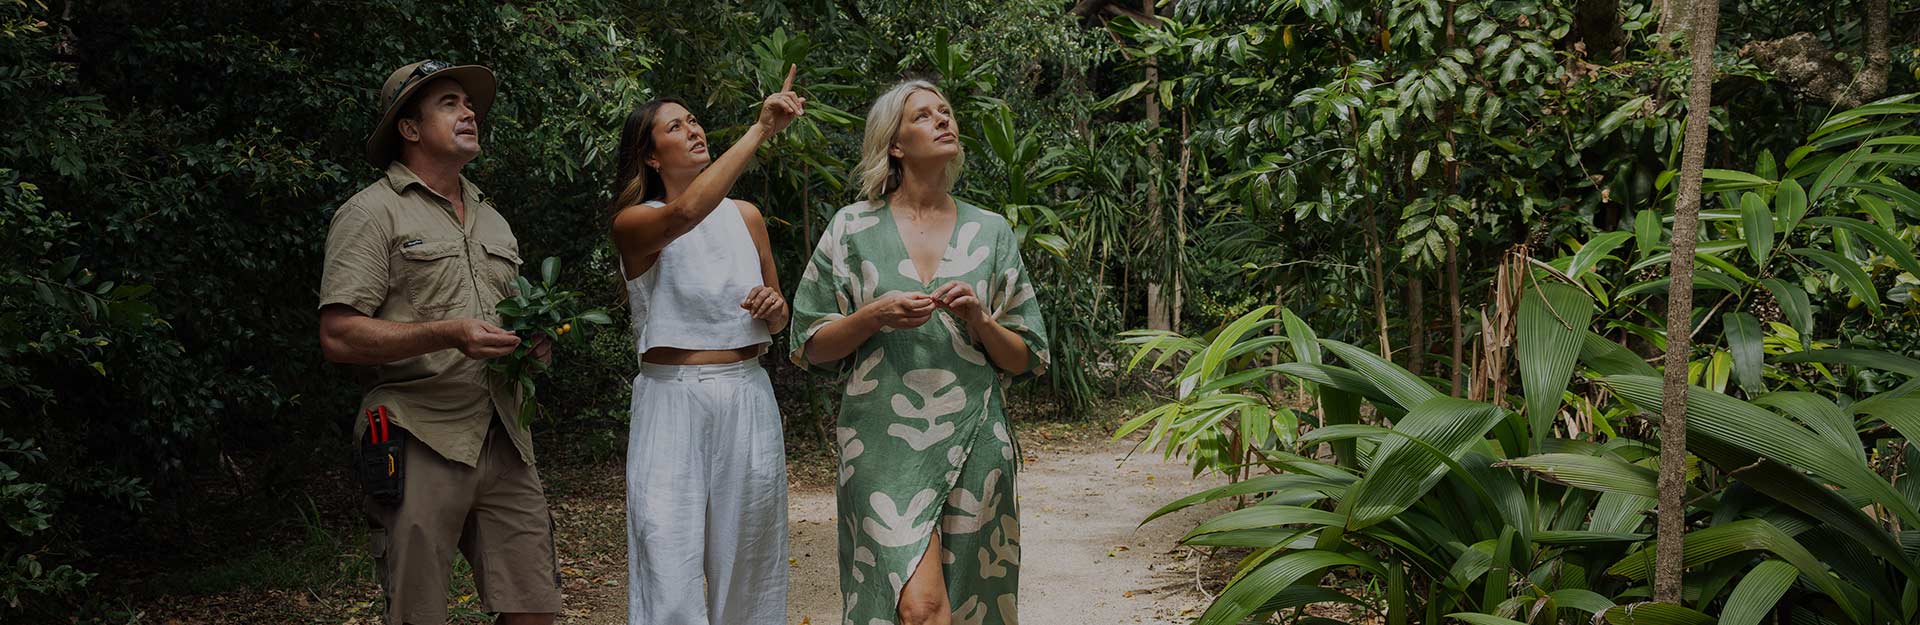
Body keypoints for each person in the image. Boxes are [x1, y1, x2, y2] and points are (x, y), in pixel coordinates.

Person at [790, 79, 1049, 625]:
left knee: (972, 602)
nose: (942, 120)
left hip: (976, 440)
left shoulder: (992, 230)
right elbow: (811, 345)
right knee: (920, 607)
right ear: (895, 144)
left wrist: (980, 319)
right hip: (879, 443)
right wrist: (872, 316)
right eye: (924, 116)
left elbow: (1026, 357)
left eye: (945, 112)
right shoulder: (851, 227)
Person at [318, 60, 560, 625]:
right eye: (449, 103)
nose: (469, 112)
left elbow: (510, 320)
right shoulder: (370, 213)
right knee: (419, 613)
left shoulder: (494, 221)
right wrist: (449, 333)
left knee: (534, 608)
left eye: (469, 104)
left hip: (504, 436)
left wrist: (532, 345)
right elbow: (338, 335)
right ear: (409, 128)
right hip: (417, 432)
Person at [607, 66, 803, 625]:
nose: (693, 129)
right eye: (675, 126)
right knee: (667, 555)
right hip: (672, 397)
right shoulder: (635, 222)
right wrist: (761, 129)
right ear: (650, 157)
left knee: (750, 560)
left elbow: (779, 318)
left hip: (747, 391)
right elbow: (686, 213)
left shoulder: (747, 217)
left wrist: (773, 306)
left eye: (694, 120)